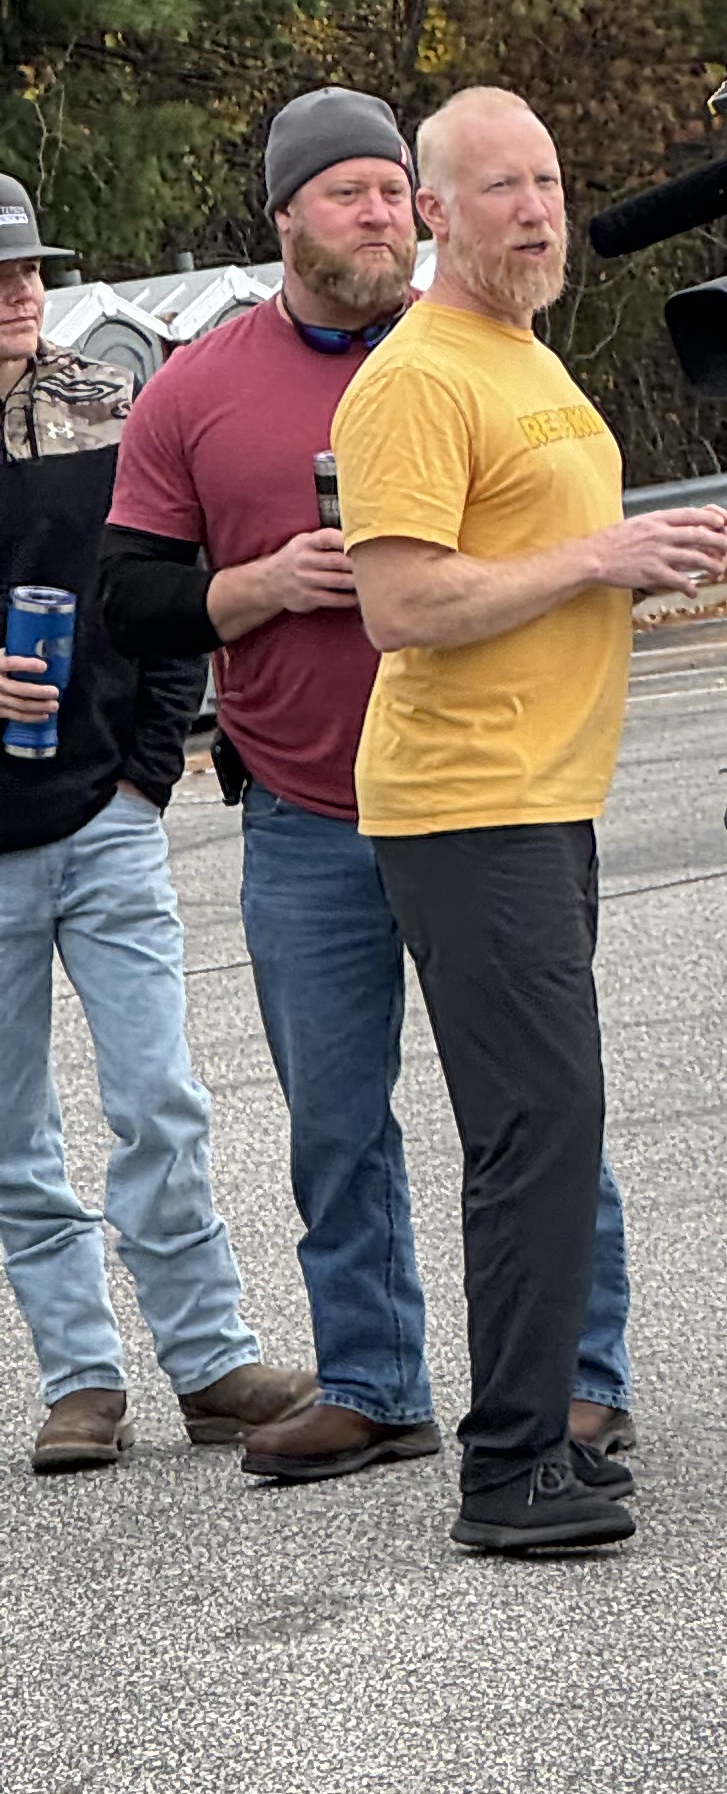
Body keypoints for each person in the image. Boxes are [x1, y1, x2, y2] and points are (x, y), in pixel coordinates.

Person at [100, 90, 645, 1487]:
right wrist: (257, 586)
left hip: (481, 801)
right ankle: (374, 1380)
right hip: (305, 809)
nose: (379, 215)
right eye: (347, 193)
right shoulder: (195, 389)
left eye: (395, 190)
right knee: (338, 1123)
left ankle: (578, 1384)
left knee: (536, 1108)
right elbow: (128, 600)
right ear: (284, 215)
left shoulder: (480, 350)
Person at [332, 92, 727, 1557]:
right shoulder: (414, 377)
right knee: (536, 1133)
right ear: (435, 212)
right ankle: (510, 1468)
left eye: (550, 182)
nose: (536, 210)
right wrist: (596, 557)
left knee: (553, 1129)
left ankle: (540, 1442)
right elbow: (399, 602)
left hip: (547, 795)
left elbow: (542, 556)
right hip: (466, 803)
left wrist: (625, 562)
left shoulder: (525, 355)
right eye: (499, 187)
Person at [0, 177, 299, 1476]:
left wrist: (146, 776)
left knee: (160, 1100)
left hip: (107, 818)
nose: (18, 293)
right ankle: (80, 1381)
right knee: (13, 1135)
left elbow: (171, 597)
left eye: (27, 270)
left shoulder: (111, 408)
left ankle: (212, 1361)